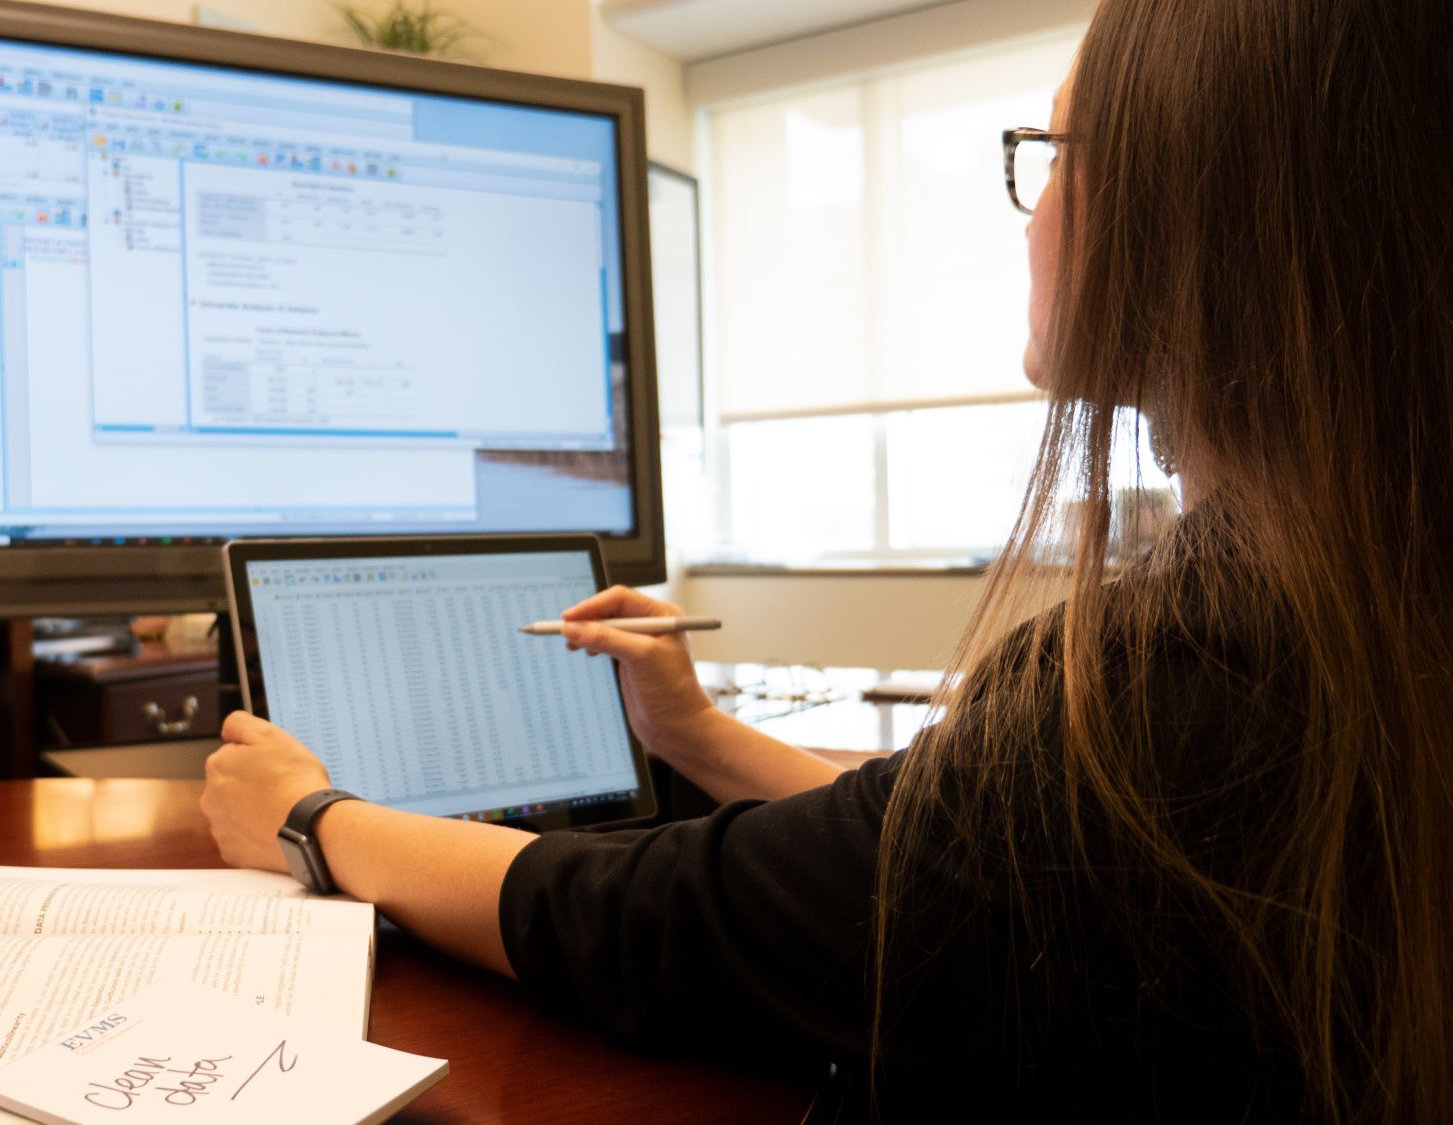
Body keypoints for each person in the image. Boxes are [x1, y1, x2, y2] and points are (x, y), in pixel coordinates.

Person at [200, 0, 1453, 1117]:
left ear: (1197, 210)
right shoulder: (1345, 608)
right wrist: (689, 731)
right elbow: (924, 854)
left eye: (1052, 154)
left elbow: (663, 926)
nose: (1030, 214)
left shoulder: (1180, 698)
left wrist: (312, 818)